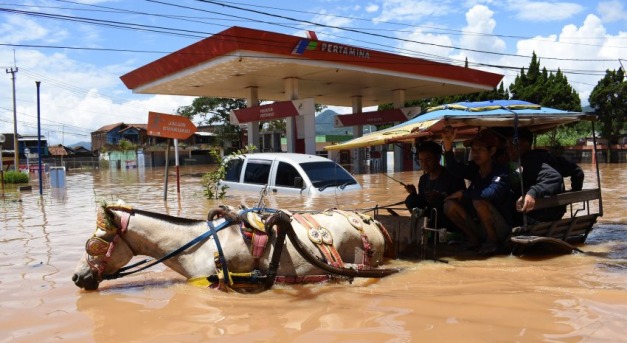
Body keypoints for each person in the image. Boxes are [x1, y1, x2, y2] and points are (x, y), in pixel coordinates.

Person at [441, 128, 515, 255]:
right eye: (473, 150)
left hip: (502, 228)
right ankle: (473, 239)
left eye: (479, 150)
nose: (475, 154)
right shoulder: (475, 169)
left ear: (492, 151)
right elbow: (454, 168)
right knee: (449, 205)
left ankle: (493, 241)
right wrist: (448, 146)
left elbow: (489, 193)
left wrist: (463, 193)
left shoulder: (501, 172)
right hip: (481, 224)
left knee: (479, 200)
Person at [506, 128, 584, 223]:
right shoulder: (550, 156)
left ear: (525, 144)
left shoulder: (530, 160)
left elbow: (554, 177)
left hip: (536, 215)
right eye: (508, 145)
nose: (509, 149)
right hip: (557, 213)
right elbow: (578, 172)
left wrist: (532, 193)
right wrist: (575, 191)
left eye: (513, 145)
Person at [404, 141, 466, 230]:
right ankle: (423, 228)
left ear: (438, 158)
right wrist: (414, 193)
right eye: (421, 161)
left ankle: (454, 233)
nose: (424, 164)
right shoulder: (423, 179)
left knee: (437, 201)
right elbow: (422, 201)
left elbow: (462, 201)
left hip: (448, 219)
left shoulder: (452, 176)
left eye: (428, 160)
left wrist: (441, 197)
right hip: (431, 216)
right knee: (411, 200)